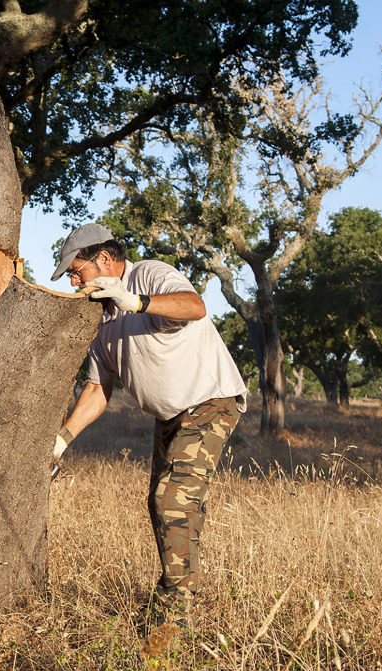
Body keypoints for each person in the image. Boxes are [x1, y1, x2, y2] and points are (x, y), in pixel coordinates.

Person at [51, 223, 247, 629]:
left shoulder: (147, 274)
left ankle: (172, 624)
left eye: (76, 270)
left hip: (209, 400)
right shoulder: (101, 322)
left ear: (103, 259)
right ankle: (178, 594)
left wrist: (134, 301)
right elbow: (96, 391)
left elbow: (194, 306)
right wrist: (60, 441)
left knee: (171, 500)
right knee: (164, 505)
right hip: (170, 415)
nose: (74, 282)